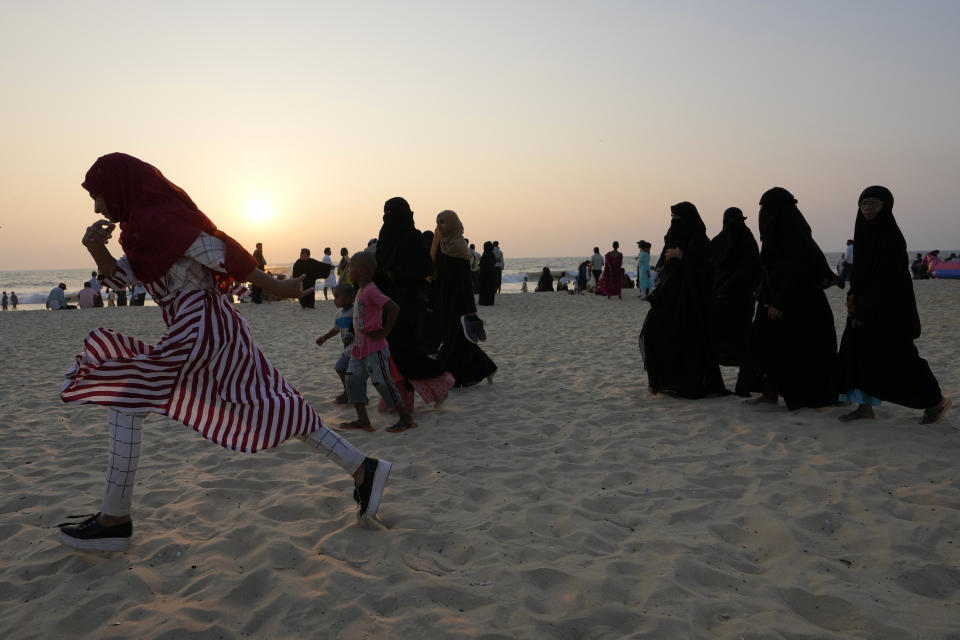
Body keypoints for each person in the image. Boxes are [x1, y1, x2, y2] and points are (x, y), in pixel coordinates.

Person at [56, 153, 391, 552]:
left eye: (98, 195)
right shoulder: (140, 230)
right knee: (270, 402)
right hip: (212, 326)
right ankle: (362, 468)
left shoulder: (161, 220)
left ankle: (115, 519)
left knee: (127, 397)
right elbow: (123, 278)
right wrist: (96, 249)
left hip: (199, 325)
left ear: (119, 188)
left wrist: (274, 285)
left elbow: (220, 250)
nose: (97, 206)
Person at [835, 186, 952, 424]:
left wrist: (866, 310)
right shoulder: (863, 234)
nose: (868, 208)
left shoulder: (891, 238)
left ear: (885, 206)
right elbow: (861, 274)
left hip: (889, 311)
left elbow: (887, 281)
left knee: (901, 358)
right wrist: (853, 298)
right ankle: (864, 407)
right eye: (864, 204)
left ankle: (936, 402)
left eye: (874, 204)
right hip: (864, 306)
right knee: (857, 353)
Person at [735, 187, 839, 409]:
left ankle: (806, 397)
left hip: (797, 303)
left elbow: (796, 271)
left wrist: (780, 302)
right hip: (772, 298)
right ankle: (769, 392)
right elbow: (770, 270)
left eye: (767, 208)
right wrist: (767, 297)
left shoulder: (794, 237)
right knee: (764, 346)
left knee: (797, 350)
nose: (763, 213)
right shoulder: (773, 237)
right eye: (761, 208)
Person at [374, 197, 454, 408]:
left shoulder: (413, 238)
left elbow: (426, 268)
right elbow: (380, 268)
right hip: (389, 304)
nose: (388, 218)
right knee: (395, 353)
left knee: (405, 350)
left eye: (391, 213)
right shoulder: (386, 237)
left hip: (410, 303)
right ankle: (403, 400)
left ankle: (440, 378)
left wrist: (398, 273)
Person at [639, 202, 726, 398]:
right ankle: (662, 381)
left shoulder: (701, 241)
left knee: (687, 340)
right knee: (654, 332)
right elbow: (663, 271)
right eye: (671, 217)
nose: (673, 222)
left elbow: (707, 270)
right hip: (668, 298)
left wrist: (683, 256)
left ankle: (686, 383)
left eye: (677, 218)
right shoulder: (672, 238)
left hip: (691, 301)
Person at [337, 252, 416, 433]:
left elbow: (393, 308)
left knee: (382, 383)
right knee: (352, 380)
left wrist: (385, 331)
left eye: (351, 268)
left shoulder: (371, 290)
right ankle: (363, 420)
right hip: (359, 348)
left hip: (375, 349)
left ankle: (405, 418)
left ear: (362, 271)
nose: (348, 271)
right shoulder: (361, 290)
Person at [432, 210, 497, 387]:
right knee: (455, 339)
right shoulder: (439, 243)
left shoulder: (459, 247)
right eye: (437, 221)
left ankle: (454, 378)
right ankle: (485, 368)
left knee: (454, 339)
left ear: (452, 223)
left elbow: (465, 281)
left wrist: (470, 307)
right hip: (444, 298)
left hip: (458, 300)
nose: (439, 225)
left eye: (443, 222)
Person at [709, 207, 761, 366]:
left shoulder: (717, 242)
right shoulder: (747, 239)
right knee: (743, 338)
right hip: (742, 297)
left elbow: (709, 269)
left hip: (722, 298)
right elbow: (756, 270)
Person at [316, 284, 356, 404]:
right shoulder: (339, 314)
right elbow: (336, 329)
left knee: (340, 368)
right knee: (347, 370)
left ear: (349, 298)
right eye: (334, 297)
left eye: (337, 297)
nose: (334, 300)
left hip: (355, 347)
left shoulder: (355, 310)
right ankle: (349, 392)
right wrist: (325, 337)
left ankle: (349, 392)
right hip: (347, 348)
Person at [478, 241, 497, 305]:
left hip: (484, 274)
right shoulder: (492, 254)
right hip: (491, 274)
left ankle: (483, 302)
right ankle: (490, 302)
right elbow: (494, 263)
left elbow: (481, 264)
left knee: (483, 288)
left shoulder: (485, 254)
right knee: (490, 288)